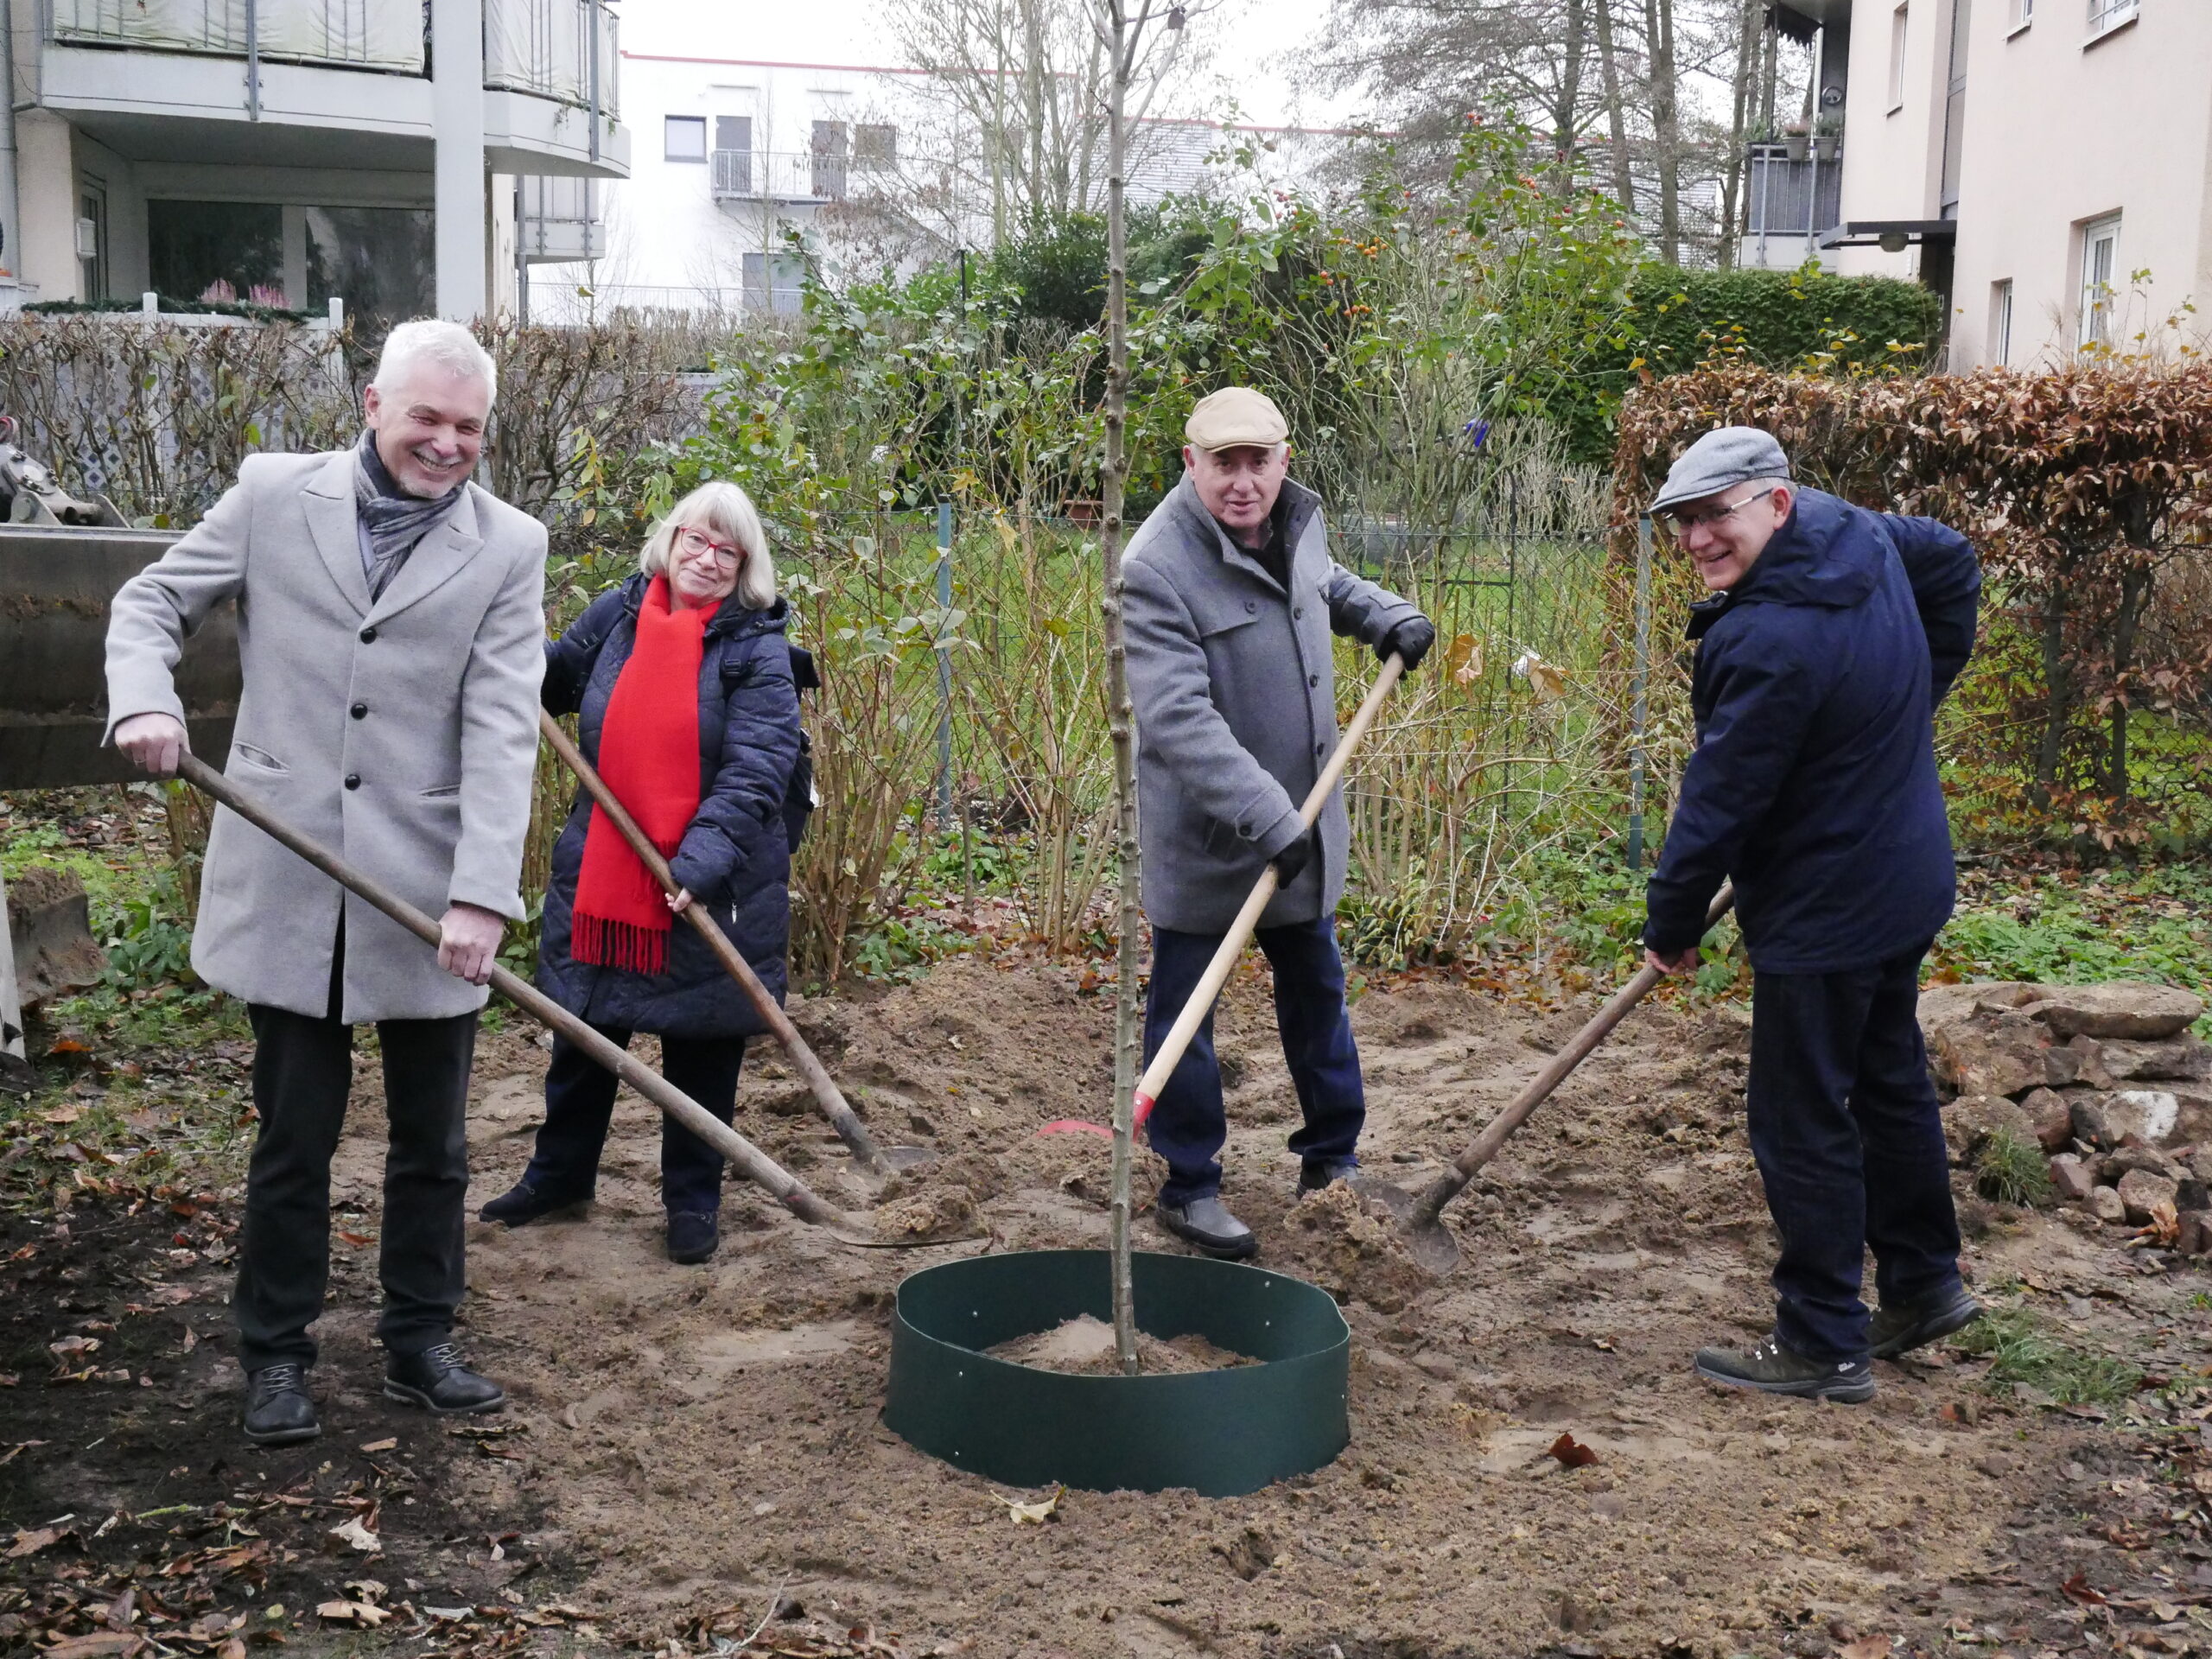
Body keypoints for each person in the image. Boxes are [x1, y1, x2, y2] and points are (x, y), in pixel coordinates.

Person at [105, 319, 547, 1446]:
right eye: (426, 418)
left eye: (468, 427)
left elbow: (504, 728)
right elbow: (148, 604)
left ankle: (419, 1343)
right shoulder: (271, 496)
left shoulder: (508, 546)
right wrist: (146, 698)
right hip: (289, 870)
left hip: (426, 885)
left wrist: (481, 894)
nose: (446, 444)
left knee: (433, 1145)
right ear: (372, 405)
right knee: (295, 1136)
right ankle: (276, 1356)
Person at [1639, 426, 1984, 1404]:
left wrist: (1671, 923)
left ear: (1777, 503)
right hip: (1902, 876)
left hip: (1827, 905)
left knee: (1798, 1118)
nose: (1697, 540)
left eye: (1715, 516)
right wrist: (1900, 707)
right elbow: (1953, 559)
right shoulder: (1859, 535)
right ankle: (1923, 1283)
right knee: (1886, 1081)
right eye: (1682, 522)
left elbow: (1717, 804)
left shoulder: (1769, 641)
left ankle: (1823, 1339)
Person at [1121, 386, 1436, 1259]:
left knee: (1318, 1000)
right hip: (1214, 842)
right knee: (1186, 1018)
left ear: (1283, 460)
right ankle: (1188, 1184)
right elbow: (1177, 719)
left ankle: (1331, 1160)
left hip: (1304, 827)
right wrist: (1267, 817)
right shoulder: (1155, 567)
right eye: (1223, 462)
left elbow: (1320, 586)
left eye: (1257, 461)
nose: (1243, 480)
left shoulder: (1296, 521)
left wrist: (1383, 615)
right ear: (1191, 464)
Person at [475, 482, 802, 1267]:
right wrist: (506, 634)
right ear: (672, 538)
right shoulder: (618, 616)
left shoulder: (756, 650)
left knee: (701, 1046)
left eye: (729, 551)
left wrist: (702, 860)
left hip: (711, 877)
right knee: (585, 1034)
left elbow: (759, 768)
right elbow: (553, 683)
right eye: (698, 540)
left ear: (746, 568)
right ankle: (559, 1177)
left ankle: (692, 1201)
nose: (708, 559)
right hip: (608, 866)